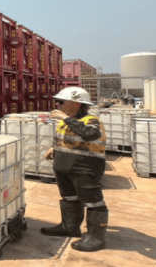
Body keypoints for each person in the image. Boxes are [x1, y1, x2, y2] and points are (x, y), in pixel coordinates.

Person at [41, 87, 108, 252]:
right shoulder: (67, 121)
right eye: (57, 102)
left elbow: (90, 134)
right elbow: (68, 138)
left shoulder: (91, 120)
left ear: (77, 104)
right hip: (64, 167)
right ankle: (69, 227)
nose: (57, 104)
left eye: (61, 102)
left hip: (85, 168)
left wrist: (64, 118)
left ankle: (96, 238)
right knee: (69, 198)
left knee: (93, 202)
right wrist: (54, 147)